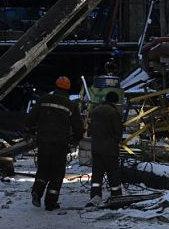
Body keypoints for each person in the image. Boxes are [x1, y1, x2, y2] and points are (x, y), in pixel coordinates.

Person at [25, 76, 84, 211]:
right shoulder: (70, 105)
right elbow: (78, 127)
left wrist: (28, 131)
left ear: (55, 87)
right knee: (57, 173)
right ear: (68, 90)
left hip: (43, 141)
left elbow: (31, 117)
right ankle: (50, 202)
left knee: (43, 169)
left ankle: (37, 192)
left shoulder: (44, 100)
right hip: (60, 144)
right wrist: (75, 140)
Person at [87, 91, 124, 206]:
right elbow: (118, 131)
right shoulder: (114, 112)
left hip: (96, 149)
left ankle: (95, 197)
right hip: (110, 150)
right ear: (115, 101)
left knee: (97, 175)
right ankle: (116, 197)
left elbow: (89, 131)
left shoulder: (95, 111)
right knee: (113, 175)